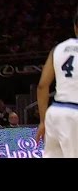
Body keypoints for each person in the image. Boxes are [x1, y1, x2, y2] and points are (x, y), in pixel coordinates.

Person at [36, 10, 78, 158]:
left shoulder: (58, 48)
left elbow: (42, 86)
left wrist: (42, 121)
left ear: (75, 27)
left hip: (55, 113)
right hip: (75, 113)